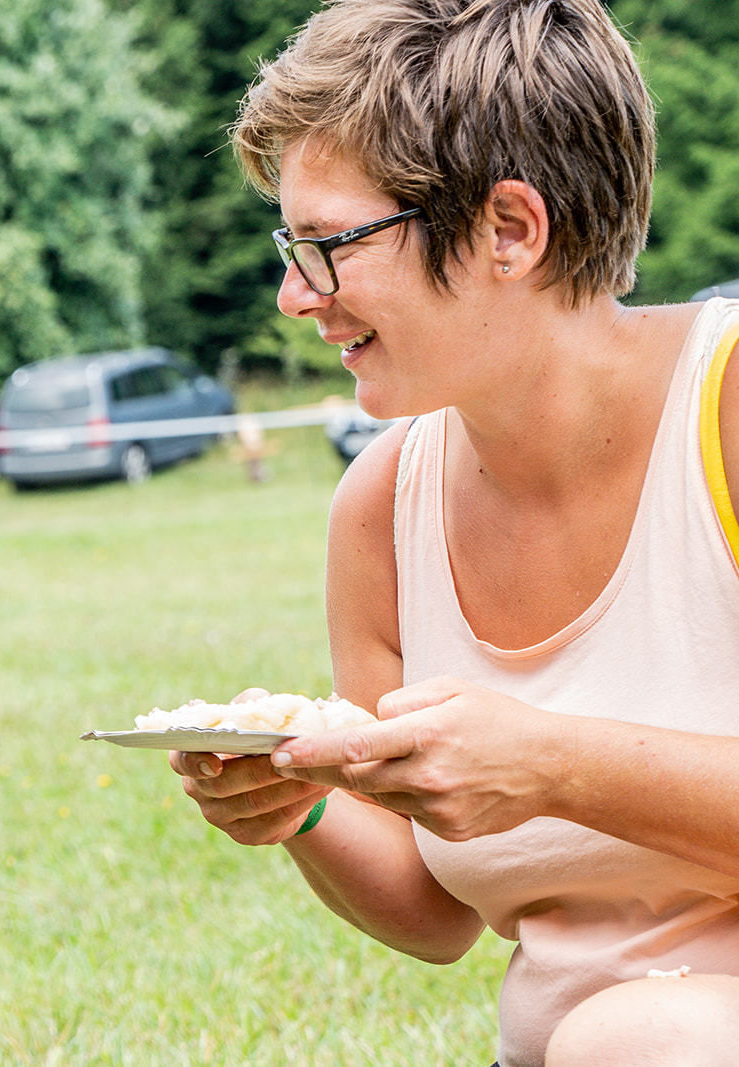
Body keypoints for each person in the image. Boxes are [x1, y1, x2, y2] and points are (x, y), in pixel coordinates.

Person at [166, 3, 739, 1065]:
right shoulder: (380, 509)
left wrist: (557, 763)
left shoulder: (727, 408)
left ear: (509, 230)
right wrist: (300, 804)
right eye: (287, 246)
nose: (295, 295)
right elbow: (437, 910)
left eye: (328, 245)